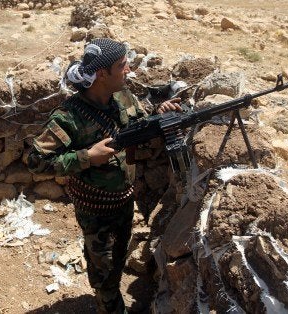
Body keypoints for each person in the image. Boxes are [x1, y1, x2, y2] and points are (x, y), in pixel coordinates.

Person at [27, 38, 180, 314]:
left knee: (117, 259)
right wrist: (87, 156)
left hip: (123, 201)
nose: (129, 70)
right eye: (122, 65)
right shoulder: (67, 118)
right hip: (95, 210)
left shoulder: (122, 96)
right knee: (105, 275)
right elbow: (36, 162)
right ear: (101, 74)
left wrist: (160, 114)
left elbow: (139, 121)